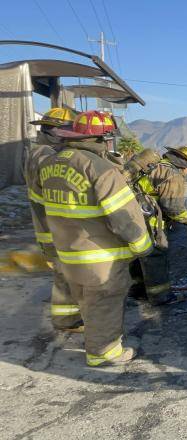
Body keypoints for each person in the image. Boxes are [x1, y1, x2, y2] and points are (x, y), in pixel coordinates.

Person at [39, 110, 153, 366]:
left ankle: (87, 334)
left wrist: (47, 247)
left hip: (68, 250)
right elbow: (125, 216)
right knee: (104, 300)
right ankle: (104, 352)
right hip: (100, 255)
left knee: (83, 296)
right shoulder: (101, 169)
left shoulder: (50, 164)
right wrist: (143, 247)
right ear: (103, 139)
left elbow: (40, 207)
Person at [26, 108, 83, 332]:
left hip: (51, 222)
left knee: (64, 272)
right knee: (65, 272)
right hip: (53, 224)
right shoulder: (46, 155)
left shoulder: (39, 151)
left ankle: (67, 317)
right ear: (56, 130)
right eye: (70, 130)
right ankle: (67, 320)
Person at [128, 146, 187, 306]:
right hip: (151, 221)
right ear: (186, 166)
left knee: (138, 254)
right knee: (156, 256)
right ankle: (160, 297)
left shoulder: (153, 166)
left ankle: (138, 291)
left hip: (132, 217)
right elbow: (173, 208)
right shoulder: (173, 175)